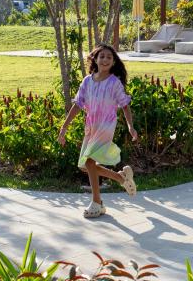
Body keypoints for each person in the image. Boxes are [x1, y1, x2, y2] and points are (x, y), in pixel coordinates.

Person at [58, 43, 139, 218]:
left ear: (113, 62)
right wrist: (64, 127)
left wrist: (131, 126)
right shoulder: (87, 81)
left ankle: (97, 203)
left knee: (88, 163)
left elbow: (125, 105)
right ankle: (121, 178)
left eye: (109, 57)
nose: (105, 59)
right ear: (95, 58)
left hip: (106, 126)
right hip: (91, 126)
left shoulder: (114, 83)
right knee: (86, 166)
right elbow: (78, 105)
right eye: (102, 56)